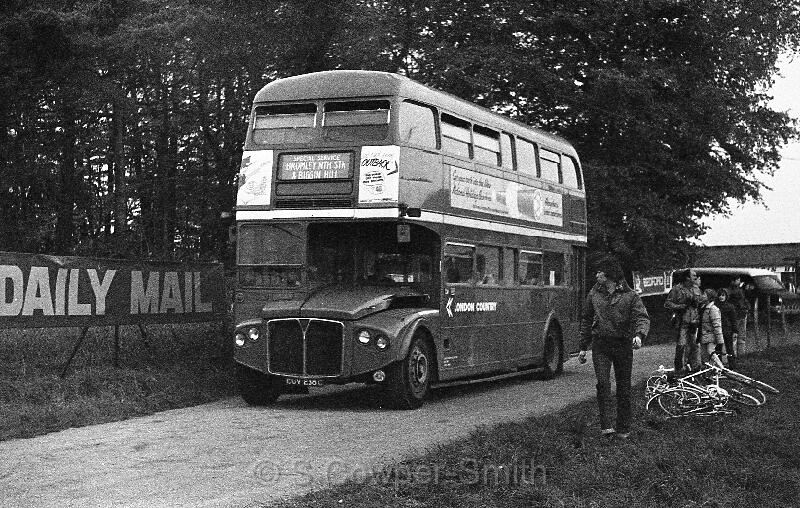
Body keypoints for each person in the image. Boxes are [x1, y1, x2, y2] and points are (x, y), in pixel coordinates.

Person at [578, 255, 650, 439]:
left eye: (600, 272)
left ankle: (623, 428)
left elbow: (642, 317)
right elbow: (586, 318)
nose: (596, 275)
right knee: (603, 384)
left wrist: (639, 335)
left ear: (609, 273)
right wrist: (583, 346)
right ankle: (606, 426)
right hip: (601, 344)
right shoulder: (594, 293)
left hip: (622, 344)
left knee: (623, 386)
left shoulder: (630, 296)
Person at [664, 268, 702, 373]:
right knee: (681, 345)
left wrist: (696, 302)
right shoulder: (677, 289)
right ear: (687, 277)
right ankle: (679, 368)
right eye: (693, 276)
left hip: (694, 321)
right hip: (682, 322)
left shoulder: (696, 289)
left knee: (695, 345)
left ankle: (695, 367)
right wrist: (680, 306)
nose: (696, 277)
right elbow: (668, 303)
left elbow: (700, 303)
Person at [698, 289, 725, 369]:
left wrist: (720, 340)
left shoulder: (713, 309)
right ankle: (708, 374)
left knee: (711, 352)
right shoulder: (703, 308)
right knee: (704, 356)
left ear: (709, 297)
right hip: (703, 336)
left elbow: (717, 325)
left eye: (704, 294)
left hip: (711, 336)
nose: (702, 296)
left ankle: (722, 368)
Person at [716, 288, 739, 369]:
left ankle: (732, 366)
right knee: (718, 348)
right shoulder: (715, 306)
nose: (721, 297)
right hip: (718, 330)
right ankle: (719, 366)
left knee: (729, 348)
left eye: (723, 295)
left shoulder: (730, 306)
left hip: (727, 330)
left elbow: (734, 319)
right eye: (720, 295)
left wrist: (735, 331)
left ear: (726, 296)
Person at [727, 276, 749, 357]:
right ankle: (735, 355)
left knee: (741, 336)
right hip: (736, 315)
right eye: (738, 280)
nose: (739, 281)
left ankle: (740, 354)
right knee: (736, 336)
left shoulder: (740, 290)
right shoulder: (731, 291)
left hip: (741, 314)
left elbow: (743, 301)